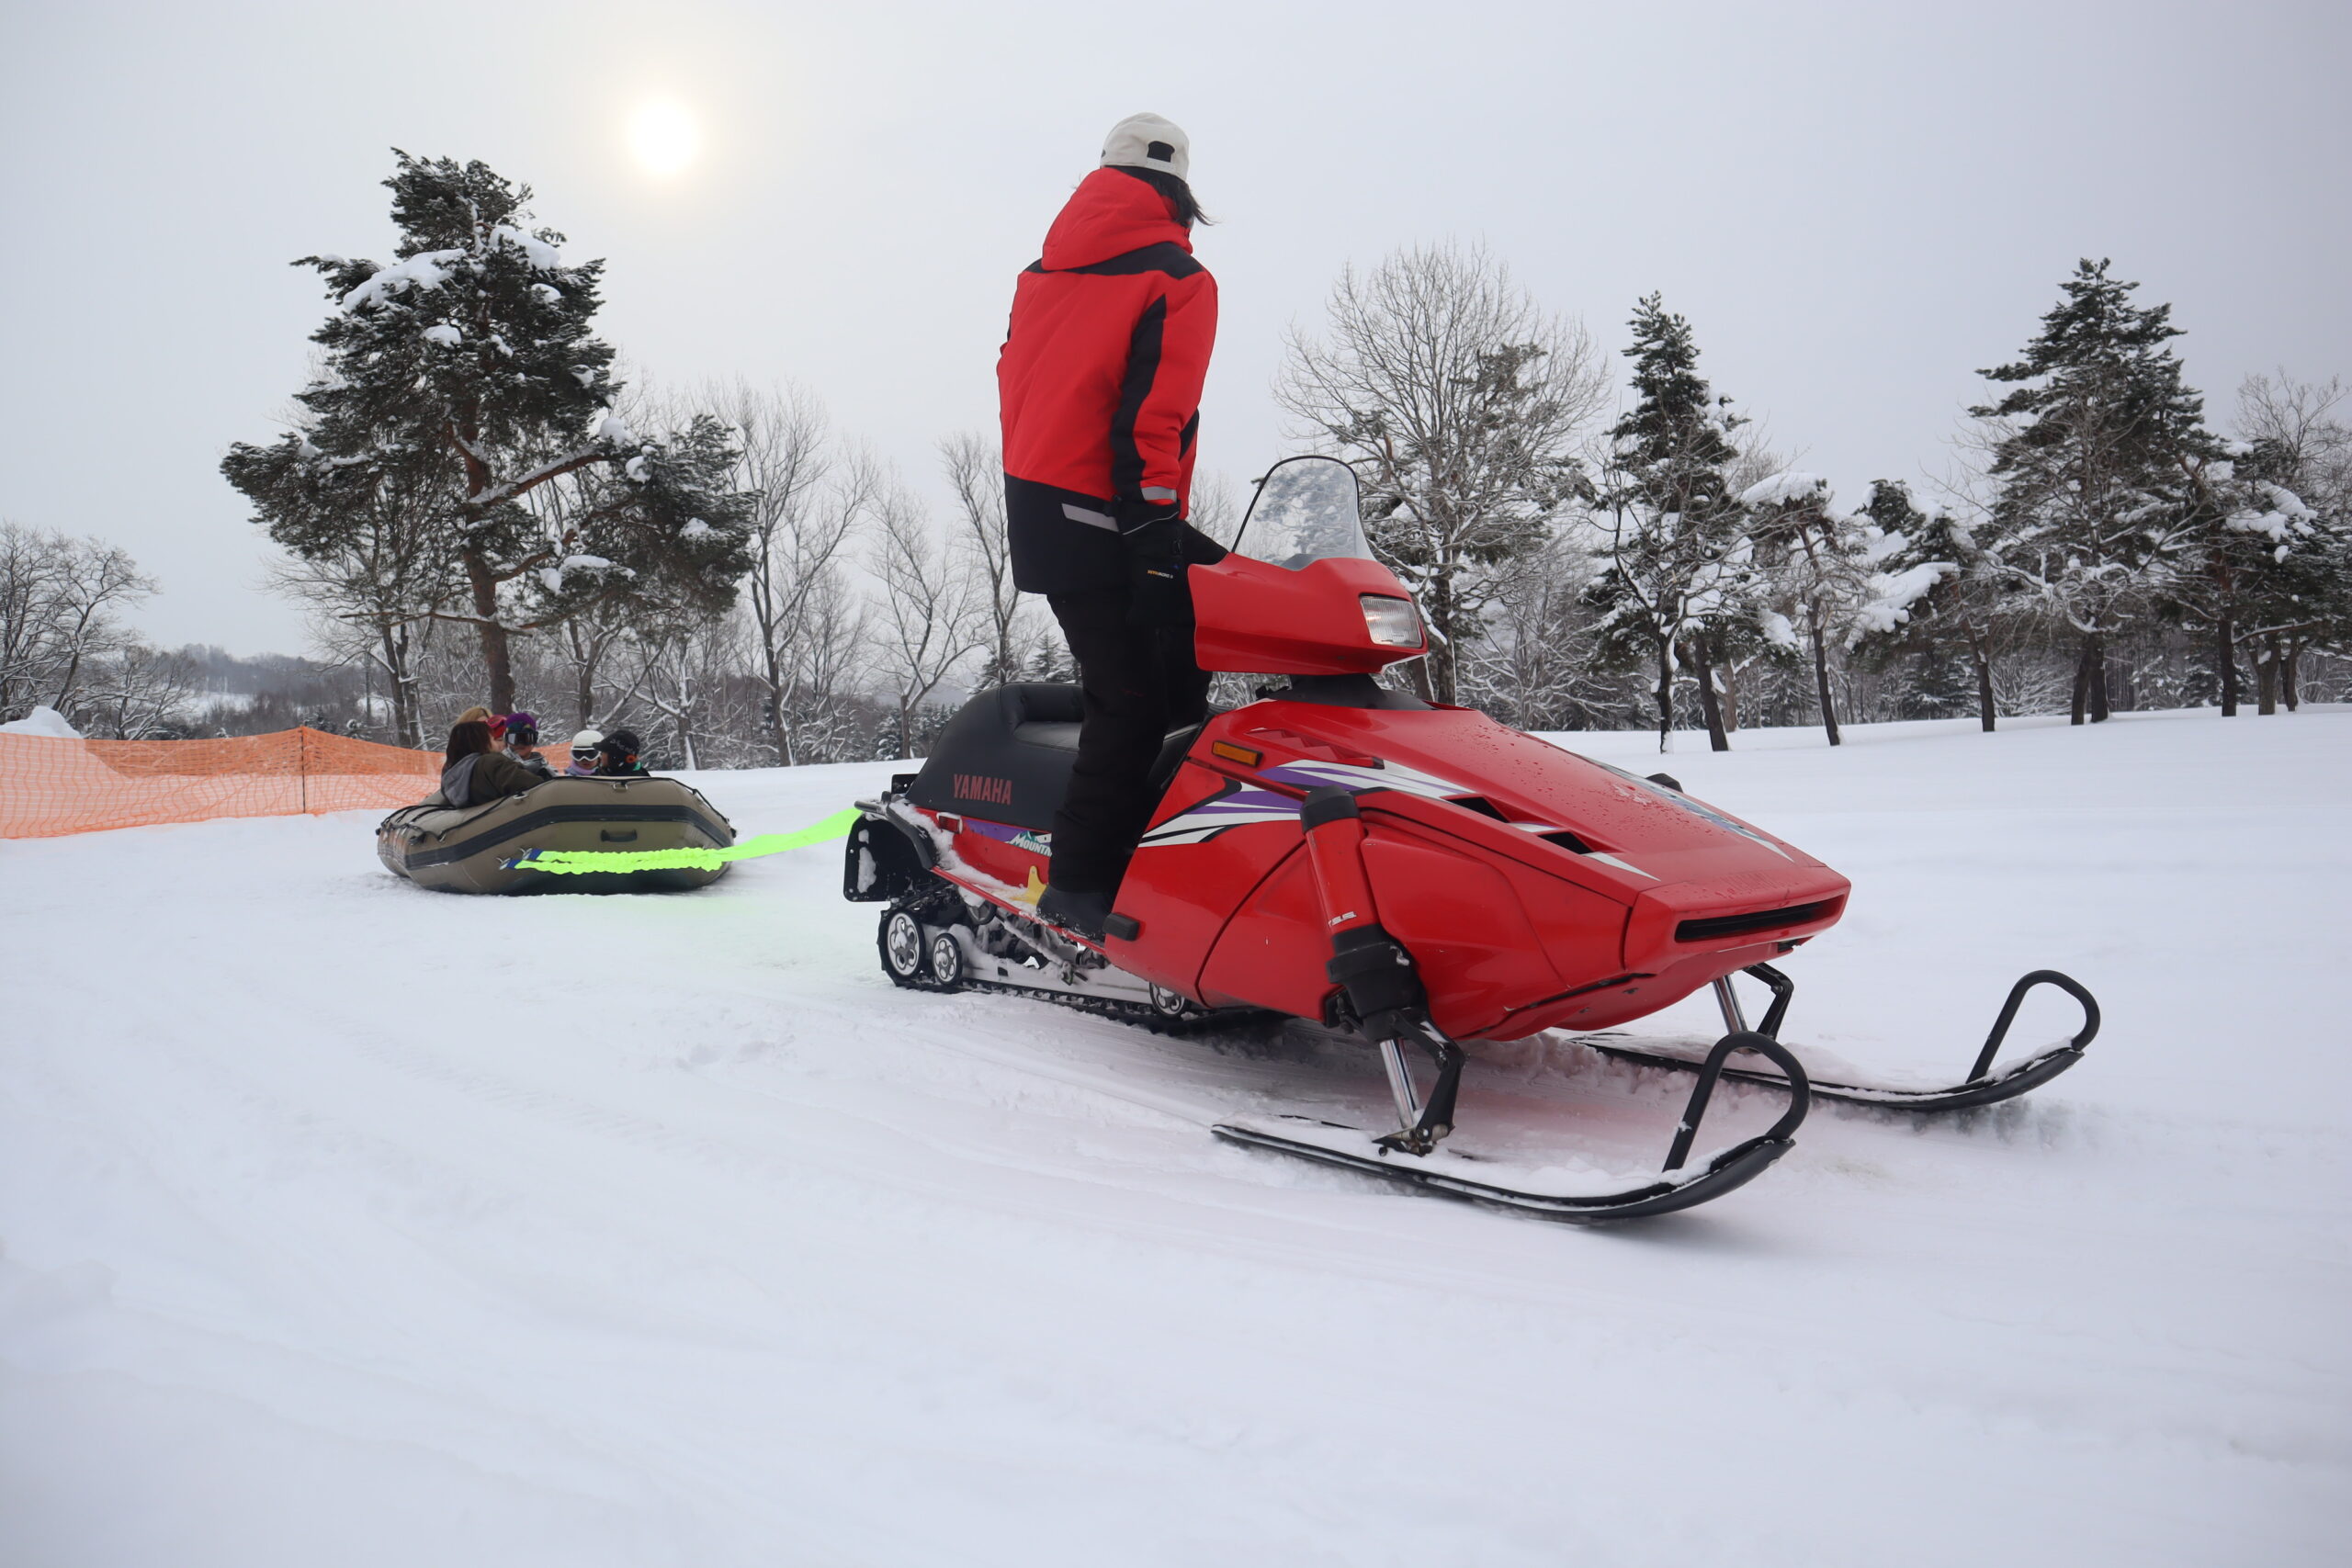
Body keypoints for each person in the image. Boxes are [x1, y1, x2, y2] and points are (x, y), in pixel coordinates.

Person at [999, 113, 1227, 939]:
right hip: (1115, 512)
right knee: (1133, 700)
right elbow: (1150, 423)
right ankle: (1084, 882)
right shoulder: (1176, 278)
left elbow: (1015, 382)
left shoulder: (1039, 272)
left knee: (1190, 651)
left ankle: (1164, 843)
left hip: (1046, 505)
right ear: (1181, 193)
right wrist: (1154, 535)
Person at [436, 718, 543, 808]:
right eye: (493, 739)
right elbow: (534, 785)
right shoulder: (491, 763)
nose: (499, 744)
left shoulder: (451, 773)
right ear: (483, 742)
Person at [501, 711, 555, 777]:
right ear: (507, 739)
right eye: (514, 739)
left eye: (525, 738)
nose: (520, 744)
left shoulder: (546, 771)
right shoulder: (499, 768)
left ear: (535, 739)